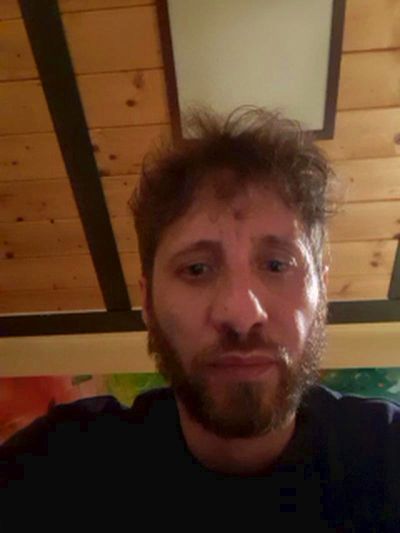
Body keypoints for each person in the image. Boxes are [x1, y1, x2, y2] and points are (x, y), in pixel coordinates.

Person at [1, 108, 399, 530]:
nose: (241, 315)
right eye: (196, 269)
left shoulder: (388, 455)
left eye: (277, 265)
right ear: (147, 302)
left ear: (322, 295)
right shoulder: (57, 464)